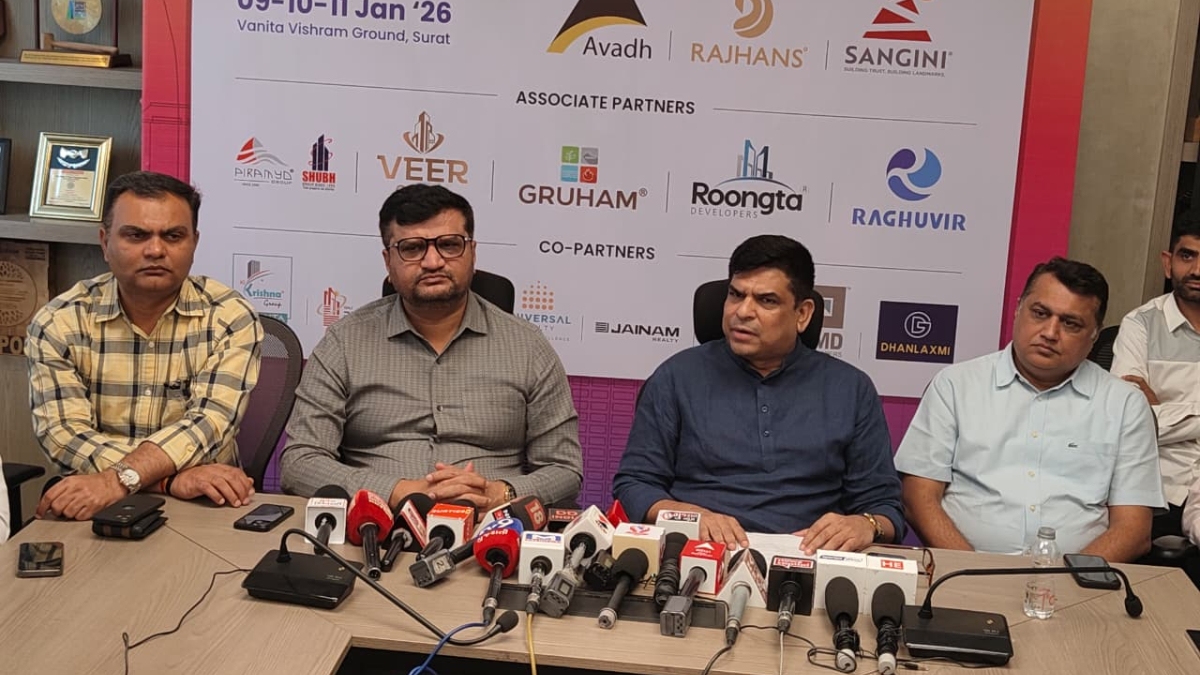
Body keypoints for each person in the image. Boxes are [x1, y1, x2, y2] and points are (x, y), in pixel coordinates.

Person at [280, 184, 582, 510]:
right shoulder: (344, 342)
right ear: (388, 261)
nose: (433, 261)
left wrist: (499, 493)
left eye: (449, 245)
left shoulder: (528, 346)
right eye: (412, 248)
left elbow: (564, 469)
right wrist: (396, 491)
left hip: (492, 526)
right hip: (375, 523)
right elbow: (300, 462)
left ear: (473, 253)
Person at [611, 235, 904, 552]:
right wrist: (688, 515)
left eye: (766, 301)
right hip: (700, 553)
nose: (743, 311)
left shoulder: (851, 388)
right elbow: (634, 485)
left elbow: (885, 507)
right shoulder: (675, 377)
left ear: (802, 314)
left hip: (809, 558)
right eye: (736, 295)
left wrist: (865, 524)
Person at [26, 171, 263, 521]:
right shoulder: (58, 322)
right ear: (105, 241)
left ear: (194, 243)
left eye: (173, 236)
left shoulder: (230, 316)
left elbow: (209, 424)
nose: (155, 250)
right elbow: (65, 436)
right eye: (136, 235)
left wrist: (118, 479)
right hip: (94, 501)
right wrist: (167, 481)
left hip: (205, 503)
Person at [896, 258, 1165, 562]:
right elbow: (918, 498)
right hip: (962, 572)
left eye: (1070, 323)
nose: (1050, 332)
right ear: (1018, 309)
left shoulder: (1126, 404)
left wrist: (1063, 580)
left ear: (1094, 335)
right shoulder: (956, 385)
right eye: (1040, 313)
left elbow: (1133, 530)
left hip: (1077, 579)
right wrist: (972, 570)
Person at [1111, 210, 1200, 542]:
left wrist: (1162, 411)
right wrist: (1146, 414)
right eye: (1187, 256)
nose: (1197, 270)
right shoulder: (1140, 324)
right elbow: (1130, 422)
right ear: (1168, 262)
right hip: (1159, 490)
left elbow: (1151, 419)